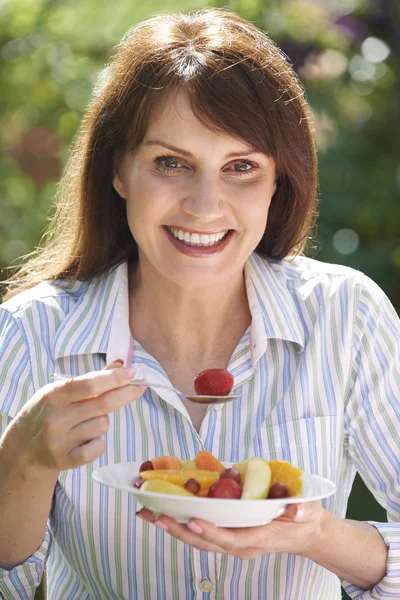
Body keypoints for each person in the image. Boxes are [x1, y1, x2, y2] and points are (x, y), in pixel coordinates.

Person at [0, 7, 399, 600]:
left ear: (278, 181)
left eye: (241, 167)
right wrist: (25, 461)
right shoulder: (31, 331)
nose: (205, 205)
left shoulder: (347, 316)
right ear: (119, 170)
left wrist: (316, 536)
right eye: (171, 164)